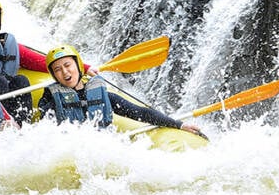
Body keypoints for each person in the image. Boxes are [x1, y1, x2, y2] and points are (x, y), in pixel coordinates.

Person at [38, 45, 204, 135]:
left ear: (79, 66)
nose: (65, 72)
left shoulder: (102, 95)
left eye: (68, 65)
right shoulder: (51, 99)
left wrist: (179, 125)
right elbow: (45, 132)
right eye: (58, 69)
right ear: (54, 75)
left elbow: (140, 112)